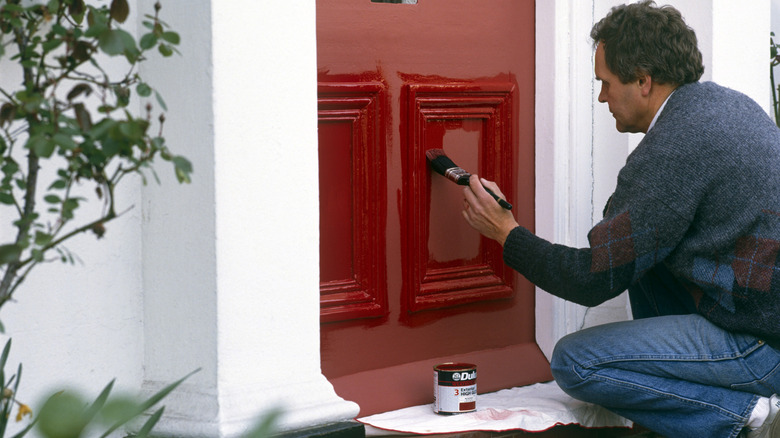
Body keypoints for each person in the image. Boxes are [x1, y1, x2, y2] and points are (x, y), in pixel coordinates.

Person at [461, 2, 780, 437]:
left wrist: (506, 233)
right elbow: (628, 255)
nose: (602, 97)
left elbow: (593, 279)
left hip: (759, 344)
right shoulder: (727, 105)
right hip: (759, 317)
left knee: (575, 361)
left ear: (643, 82)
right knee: (647, 260)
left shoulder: (673, 149)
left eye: (606, 84)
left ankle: (746, 414)